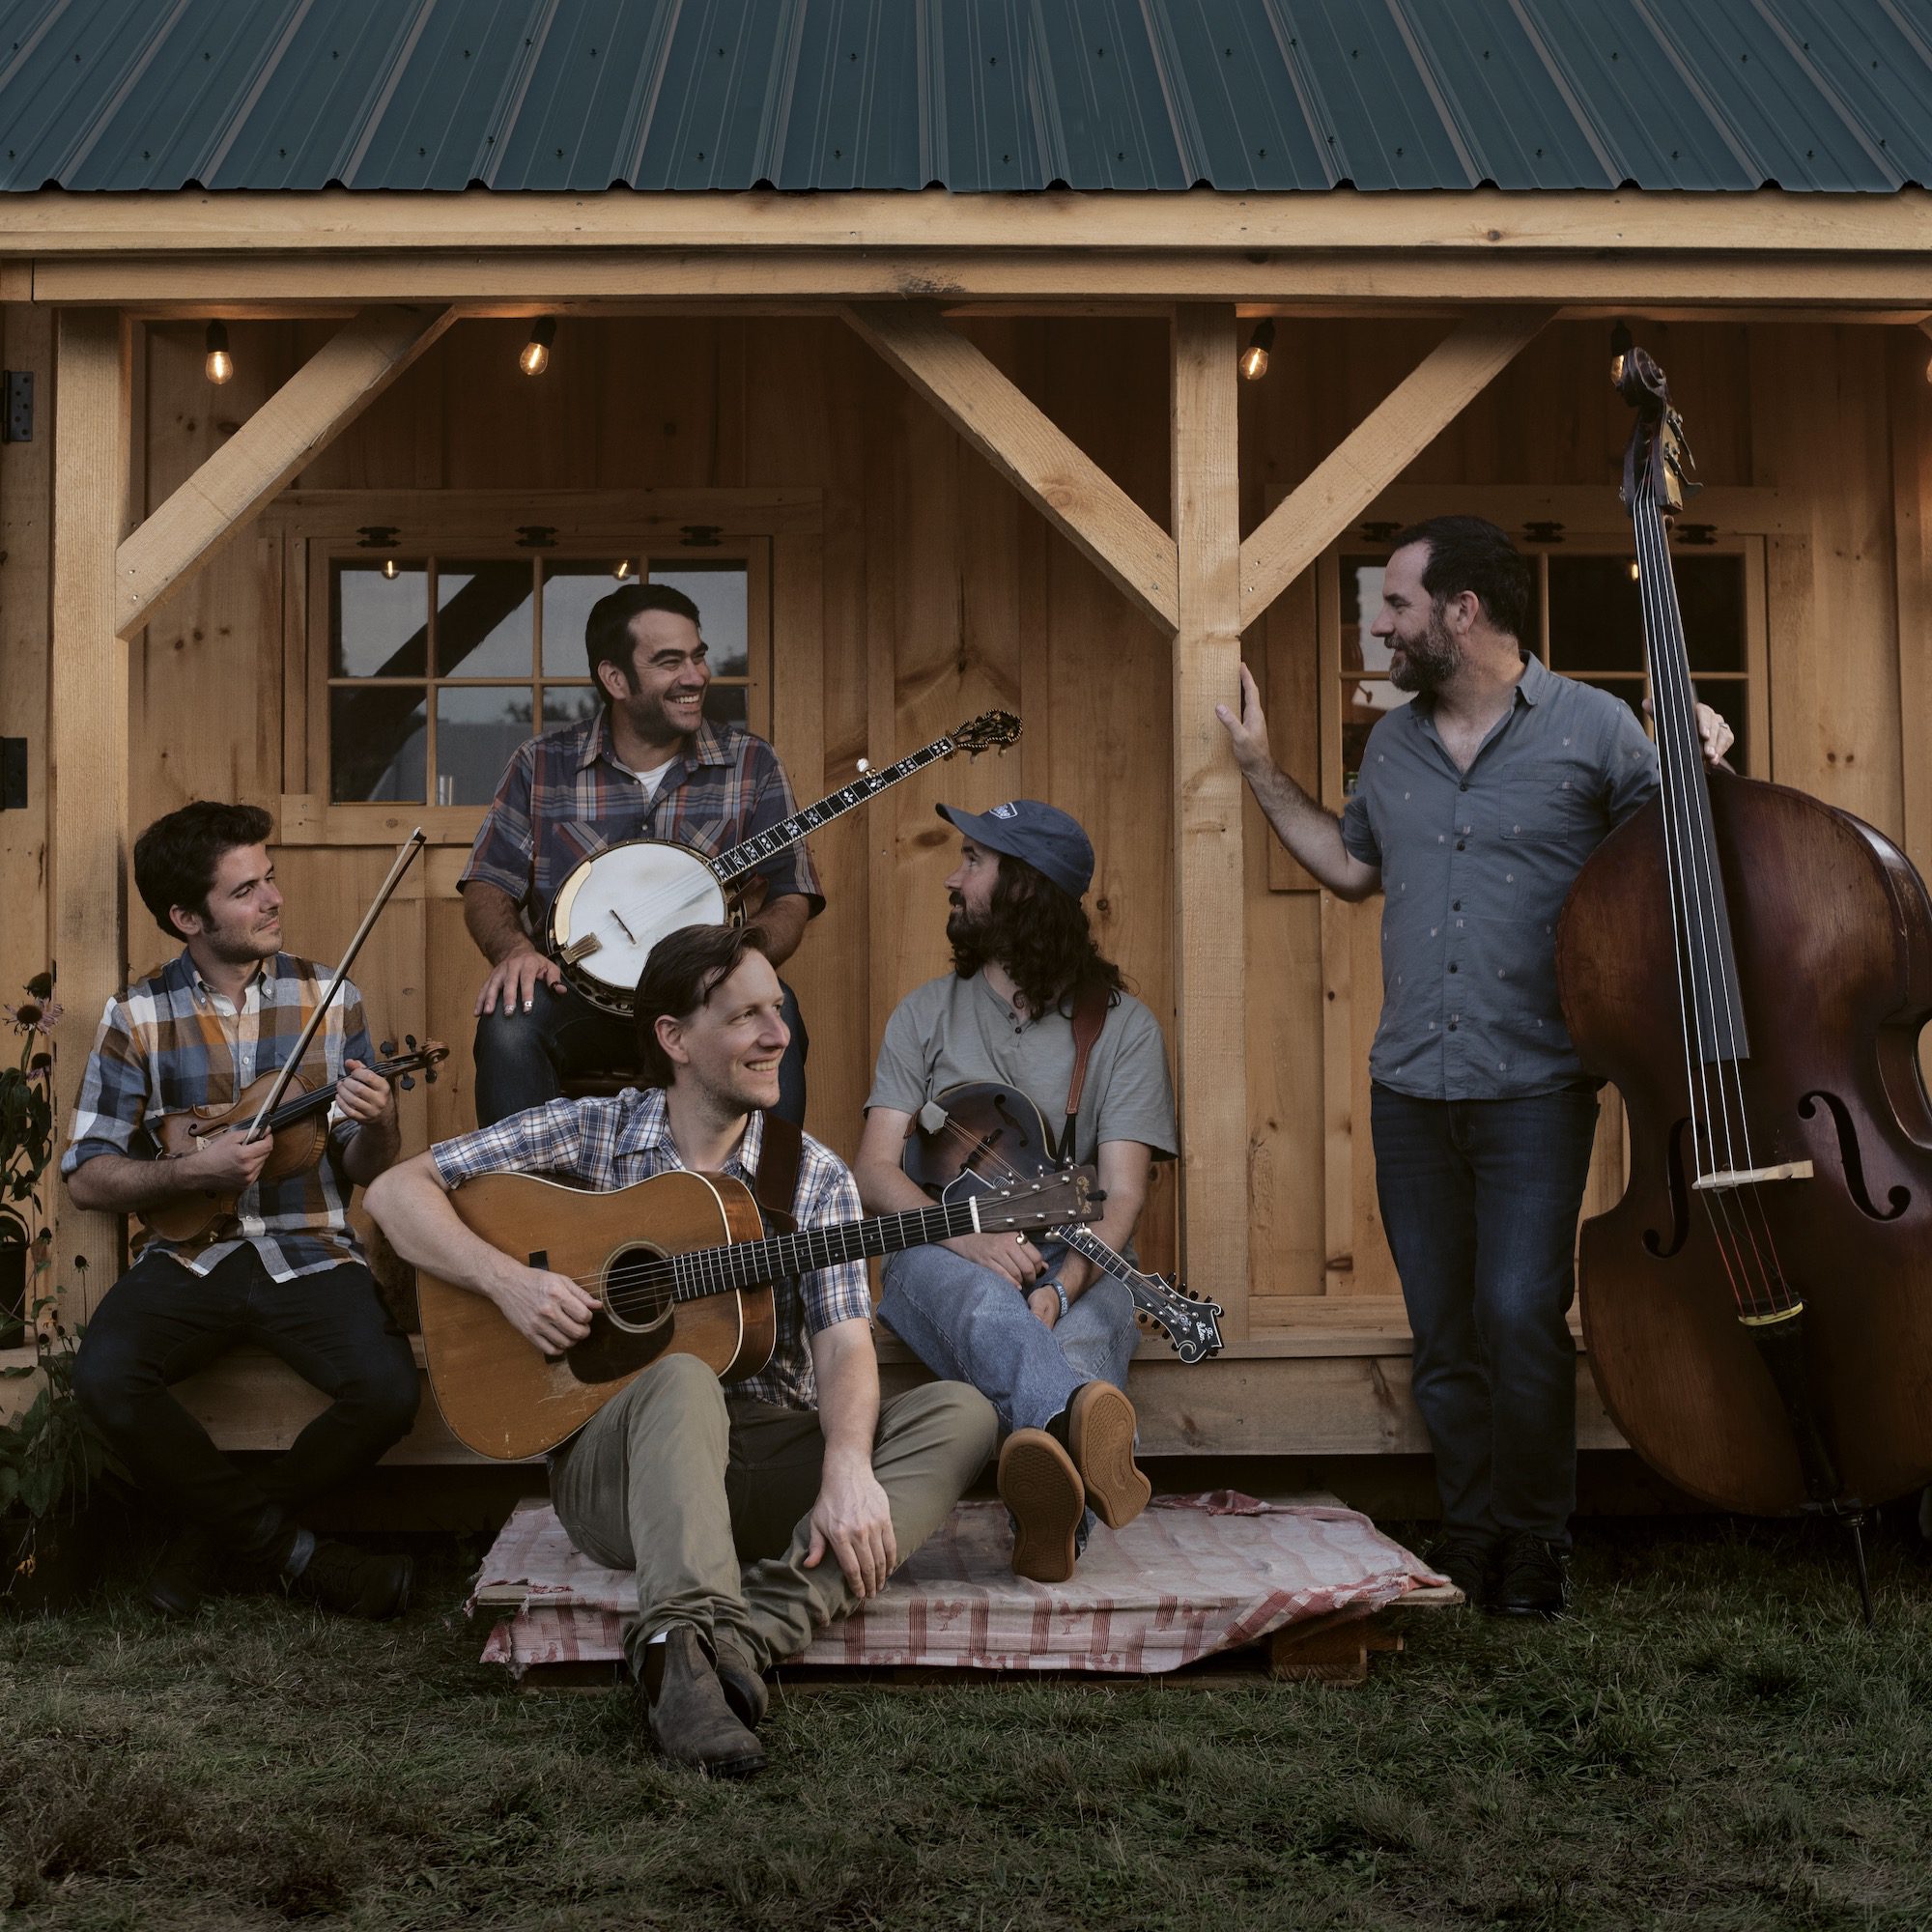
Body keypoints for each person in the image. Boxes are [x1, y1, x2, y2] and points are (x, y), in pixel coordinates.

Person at [1217, 515, 1733, 1616]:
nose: (1379, 624)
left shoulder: (1592, 729)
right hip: (1406, 1086)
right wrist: (1261, 771)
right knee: (1444, 1331)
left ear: (1461, 611)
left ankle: (1534, 1541)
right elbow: (1353, 867)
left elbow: (1673, 866)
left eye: (1394, 603)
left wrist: (1703, 768)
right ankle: (1468, 1532)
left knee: (1514, 1315)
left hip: (1536, 1087)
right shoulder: (1390, 743)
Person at [365, 924, 995, 1778]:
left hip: (762, 1451)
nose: (777, 1036)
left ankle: (724, 1645)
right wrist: (506, 1282)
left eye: (778, 1011)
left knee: (961, 1412)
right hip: (618, 1475)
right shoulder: (591, 1134)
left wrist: (848, 1464)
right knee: (681, 1375)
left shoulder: (811, 1176)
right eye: (746, 1018)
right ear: (674, 1039)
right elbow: (395, 1190)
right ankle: (679, 1632)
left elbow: (846, 1342)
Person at [65, 802, 419, 1620]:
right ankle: (297, 1553)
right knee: (105, 1377)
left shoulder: (331, 998)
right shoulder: (138, 1016)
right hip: (191, 1259)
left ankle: (212, 1545)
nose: (273, 900)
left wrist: (381, 1119)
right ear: (187, 916)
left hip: (311, 1250)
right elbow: (88, 1173)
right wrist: (191, 1172)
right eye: (245, 890)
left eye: (271, 878)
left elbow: (367, 1168)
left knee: (389, 1391)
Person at [854, 800, 1178, 1585]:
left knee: (1074, 1339)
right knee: (980, 1306)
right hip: (933, 1253)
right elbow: (873, 1168)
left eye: (972, 860)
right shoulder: (924, 1015)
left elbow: (1124, 1195)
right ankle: (1075, 1434)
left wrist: (1063, 1287)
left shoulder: (1122, 1029)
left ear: (1025, 887)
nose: (951, 877)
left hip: (1081, 1258)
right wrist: (962, 1236)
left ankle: (1047, 1524)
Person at [460, 581, 822, 1128]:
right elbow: (488, 884)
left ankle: (766, 1206)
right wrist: (514, 951)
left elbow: (792, 892)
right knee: (509, 1020)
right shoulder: (541, 764)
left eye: (698, 656)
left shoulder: (752, 764)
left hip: (703, 1000)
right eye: (669, 662)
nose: (695, 676)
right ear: (615, 679)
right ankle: (521, 1203)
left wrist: (746, 963)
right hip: (577, 995)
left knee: (779, 1009)